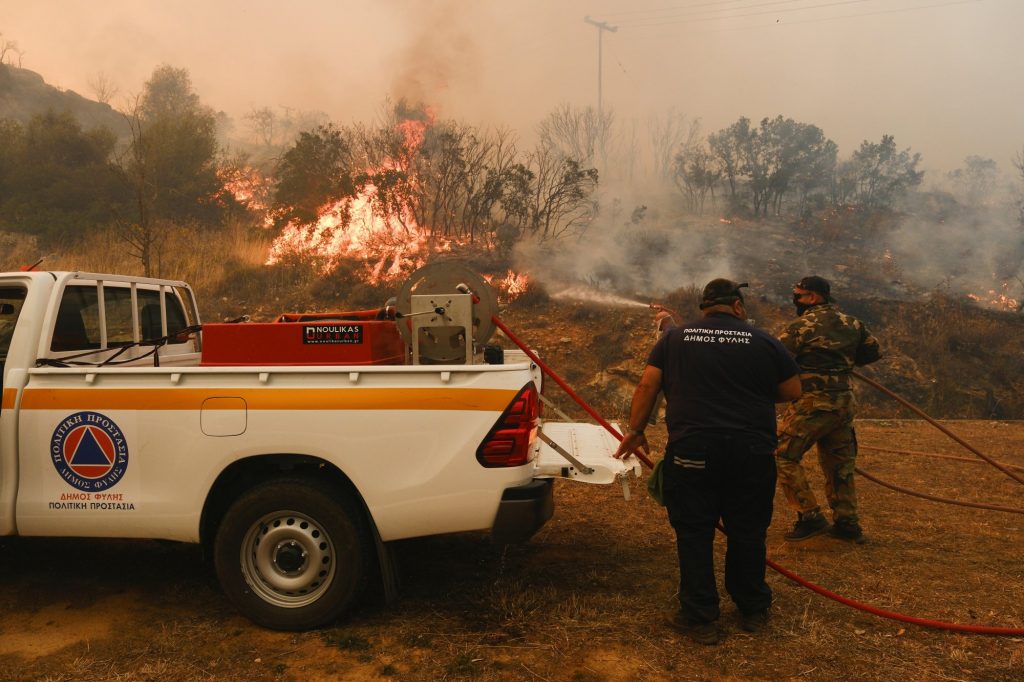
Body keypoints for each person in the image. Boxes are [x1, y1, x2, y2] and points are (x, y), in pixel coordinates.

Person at [615, 279, 801, 645]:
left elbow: (647, 386)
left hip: (693, 451)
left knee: (694, 532)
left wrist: (636, 430)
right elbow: (792, 390)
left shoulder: (674, 339)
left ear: (704, 307)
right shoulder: (764, 340)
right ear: (738, 306)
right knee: (748, 531)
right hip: (752, 452)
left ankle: (700, 618)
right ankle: (752, 610)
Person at [775, 276, 881, 543]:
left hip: (812, 404)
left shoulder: (801, 326)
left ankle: (809, 516)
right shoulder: (853, 323)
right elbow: (873, 352)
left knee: (783, 456)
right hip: (843, 405)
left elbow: (777, 358)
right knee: (839, 465)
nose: (795, 300)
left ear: (813, 297)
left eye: (798, 295)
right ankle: (847, 524)